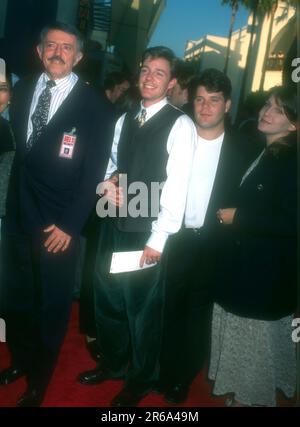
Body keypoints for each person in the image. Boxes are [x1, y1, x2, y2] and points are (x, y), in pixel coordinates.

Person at [0, 22, 114, 407]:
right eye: (50, 45)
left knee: (50, 304)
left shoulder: (96, 105)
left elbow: (94, 172)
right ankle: (20, 359)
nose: (57, 52)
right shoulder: (23, 89)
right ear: (39, 51)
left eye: (66, 48)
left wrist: (70, 224)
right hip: (16, 215)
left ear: (79, 57)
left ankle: (40, 380)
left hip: (57, 225)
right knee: (16, 297)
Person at [78, 46, 197, 407]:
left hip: (145, 231)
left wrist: (157, 239)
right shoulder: (124, 117)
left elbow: (177, 186)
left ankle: (141, 379)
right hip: (114, 223)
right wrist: (107, 185)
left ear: (172, 82)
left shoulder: (180, 124)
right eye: (145, 69)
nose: (149, 77)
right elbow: (110, 162)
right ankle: (114, 364)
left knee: (142, 311)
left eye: (159, 73)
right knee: (108, 300)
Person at [157, 68, 247, 405]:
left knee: (197, 318)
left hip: (213, 244)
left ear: (227, 105)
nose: (205, 107)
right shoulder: (177, 135)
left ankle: (182, 378)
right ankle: (163, 370)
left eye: (214, 100)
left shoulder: (243, 146)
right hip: (173, 237)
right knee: (167, 309)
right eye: (199, 99)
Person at [210, 86, 297, 407]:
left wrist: (239, 216)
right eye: (267, 105)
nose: (266, 112)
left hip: (264, 277)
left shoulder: (290, 159)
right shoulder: (269, 149)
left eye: (278, 110)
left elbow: (291, 221)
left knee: (255, 356)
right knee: (250, 355)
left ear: (294, 124)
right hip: (250, 270)